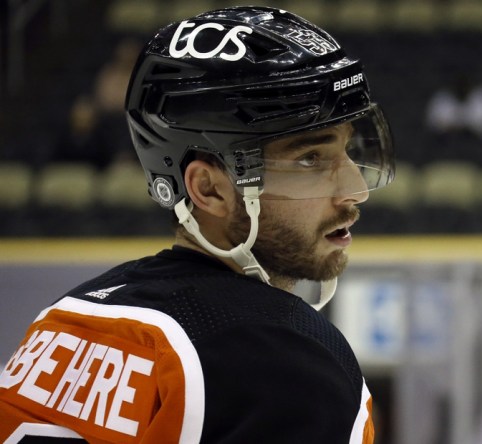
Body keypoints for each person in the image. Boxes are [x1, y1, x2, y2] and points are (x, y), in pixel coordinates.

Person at [0, 6, 394, 443]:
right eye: (310, 159)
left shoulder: (64, 320)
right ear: (208, 189)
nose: (356, 189)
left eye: (347, 149)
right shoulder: (289, 365)